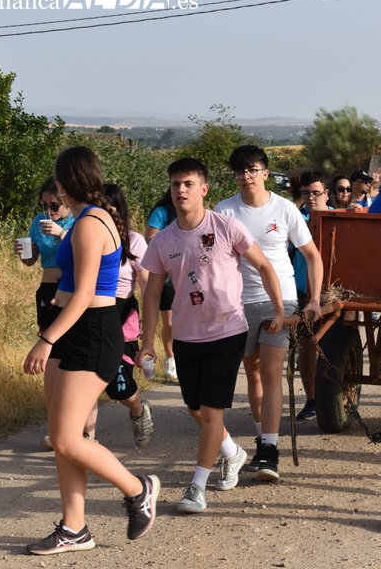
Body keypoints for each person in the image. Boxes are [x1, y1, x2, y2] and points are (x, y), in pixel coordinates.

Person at [22, 146, 159, 555]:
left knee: (65, 438)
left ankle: (138, 490)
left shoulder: (90, 223)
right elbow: (68, 285)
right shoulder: (87, 218)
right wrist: (52, 329)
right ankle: (74, 528)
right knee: (68, 435)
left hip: (92, 332)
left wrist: (45, 340)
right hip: (71, 329)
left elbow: (83, 294)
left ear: (64, 183)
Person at [138, 157, 284, 514]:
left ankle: (196, 487)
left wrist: (279, 309)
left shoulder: (226, 227)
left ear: (203, 189)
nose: (181, 190)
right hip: (187, 337)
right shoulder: (162, 241)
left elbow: (264, 266)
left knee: (212, 411)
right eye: (175, 185)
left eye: (188, 184)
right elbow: (153, 294)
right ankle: (232, 452)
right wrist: (147, 341)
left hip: (227, 330)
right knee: (195, 408)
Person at [215, 146, 322, 481]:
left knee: (272, 371)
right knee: (254, 371)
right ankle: (262, 439)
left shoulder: (285, 209)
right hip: (238, 301)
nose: (246, 177)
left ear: (265, 172)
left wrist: (314, 300)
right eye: (240, 172)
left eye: (252, 170)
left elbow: (312, 255)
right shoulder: (225, 211)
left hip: (282, 299)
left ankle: (270, 450)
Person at [15, 176, 78, 447]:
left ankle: (77, 427)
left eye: (54, 206)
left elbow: (83, 254)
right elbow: (32, 261)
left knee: (71, 353)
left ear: (65, 200)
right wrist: (24, 254)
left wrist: (61, 233)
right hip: (47, 288)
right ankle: (57, 425)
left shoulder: (78, 221)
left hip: (71, 290)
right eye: (44, 206)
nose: (49, 212)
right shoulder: (37, 223)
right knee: (51, 353)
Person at [102, 184, 155, 448]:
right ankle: (83, 437)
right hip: (91, 316)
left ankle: (137, 410)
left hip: (122, 316)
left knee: (119, 386)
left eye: (109, 208)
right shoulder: (87, 236)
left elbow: (146, 285)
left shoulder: (134, 241)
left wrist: (148, 321)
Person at [290, 171, 331, 424]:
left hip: (331, 289)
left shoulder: (337, 217)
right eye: (306, 193)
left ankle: (332, 397)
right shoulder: (294, 218)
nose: (311, 198)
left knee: (332, 344)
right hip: (300, 289)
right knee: (306, 345)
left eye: (316, 193)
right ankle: (312, 400)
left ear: (326, 193)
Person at [144, 188, 178, 382]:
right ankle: (171, 357)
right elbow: (150, 237)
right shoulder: (162, 212)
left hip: (190, 273)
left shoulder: (196, 212)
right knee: (170, 322)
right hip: (166, 273)